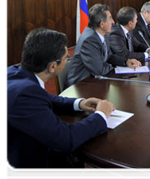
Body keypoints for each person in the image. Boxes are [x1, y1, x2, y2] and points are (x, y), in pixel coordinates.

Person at [6, 28, 115, 179]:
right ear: (52, 66)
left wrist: (79, 103)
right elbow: (66, 139)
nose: (67, 61)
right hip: (24, 167)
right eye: (66, 58)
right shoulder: (25, 95)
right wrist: (101, 115)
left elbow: (45, 98)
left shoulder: (15, 73)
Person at [67, 4, 141, 87]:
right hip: (80, 85)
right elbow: (99, 70)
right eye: (110, 18)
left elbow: (109, 56)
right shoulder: (90, 40)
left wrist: (126, 61)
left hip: (95, 80)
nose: (113, 22)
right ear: (102, 24)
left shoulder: (103, 34)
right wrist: (115, 69)